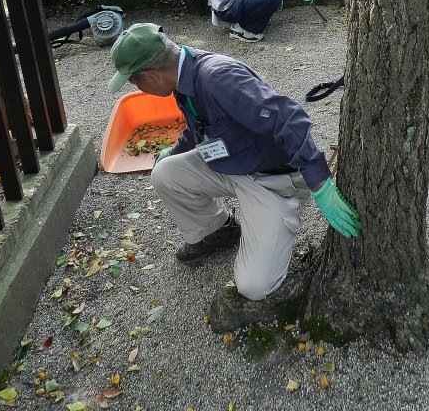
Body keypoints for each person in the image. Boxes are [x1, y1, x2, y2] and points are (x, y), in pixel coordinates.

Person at [108, 22, 362, 304]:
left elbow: (290, 119)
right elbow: (201, 127)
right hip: (231, 163)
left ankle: (280, 211)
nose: (138, 88)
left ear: (150, 76)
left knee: (254, 286)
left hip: (271, 180)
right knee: (165, 173)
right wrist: (174, 151)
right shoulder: (183, 74)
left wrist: (320, 183)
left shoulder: (218, 78)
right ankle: (219, 230)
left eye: (135, 82)